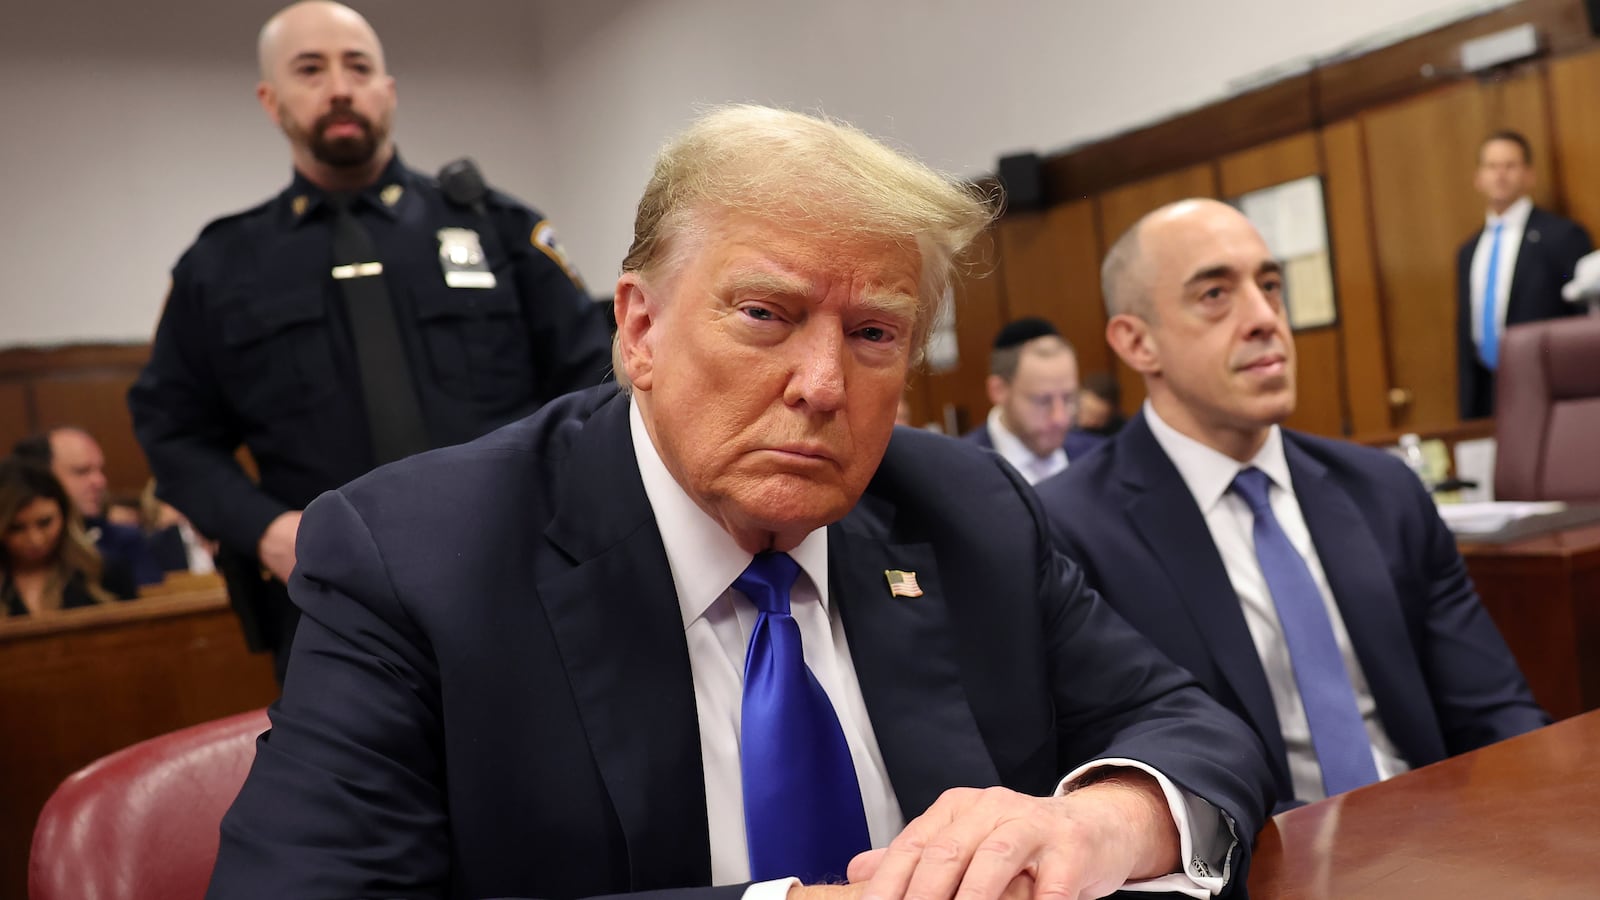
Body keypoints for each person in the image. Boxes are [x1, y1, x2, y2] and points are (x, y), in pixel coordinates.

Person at [208, 106, 1274, 900]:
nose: (821, 384)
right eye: (764, 314)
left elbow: (1190, 726)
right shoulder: (415, 559)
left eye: (872, 334)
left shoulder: (965, 508)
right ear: (639, 332)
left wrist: (1105, 821)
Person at [128, 0, 613, 682]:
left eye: (358, 66)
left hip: (520, 577)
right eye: (310, 69)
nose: (339, 86)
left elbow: (596, 382)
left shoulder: (498, 230)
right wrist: (265, 530)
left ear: (388, 90)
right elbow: (171, 428)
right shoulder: (222, 266)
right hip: (335, 602)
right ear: (271, 100)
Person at [1037, 198, 1548, 812]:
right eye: (1214, 295)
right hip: (1252, 861)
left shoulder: (1382, 490)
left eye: (1271, 285)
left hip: (1435, 833)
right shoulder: (1068, 530)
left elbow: (1494, 709)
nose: (1263, 317)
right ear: (1138, 342)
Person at [1456, 130, 1591, 420]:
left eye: (1510, 165)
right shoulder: (1468, 252)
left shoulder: (1562, 236)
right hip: (1488, 395)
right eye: (1492, 166)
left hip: (1551, 389)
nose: (1500, 175)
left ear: (1528, 174)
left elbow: (1585, 319)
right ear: (1478, 178)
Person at [12, 429, 164, 587]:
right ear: (40, 477)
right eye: (82, 471)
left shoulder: (122, 541)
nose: (100, 482)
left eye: (99, 470)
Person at [960, 318, 1102, 484]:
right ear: (998, 390)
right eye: (1042, 401)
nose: (1060, 418)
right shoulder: (961, 469)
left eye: (1068, 398)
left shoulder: (1099, 458)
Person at [1, 459, 137, 618]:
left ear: (64, 516)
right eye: (16, 528)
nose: (35, 540)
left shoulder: (104, 571)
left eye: (45, 522)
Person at [1076, 371, 1125, 437]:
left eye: (1098, 417)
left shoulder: (1123, 433)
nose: (1090, 422)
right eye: (1087, 411)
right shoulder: (1064, 424)